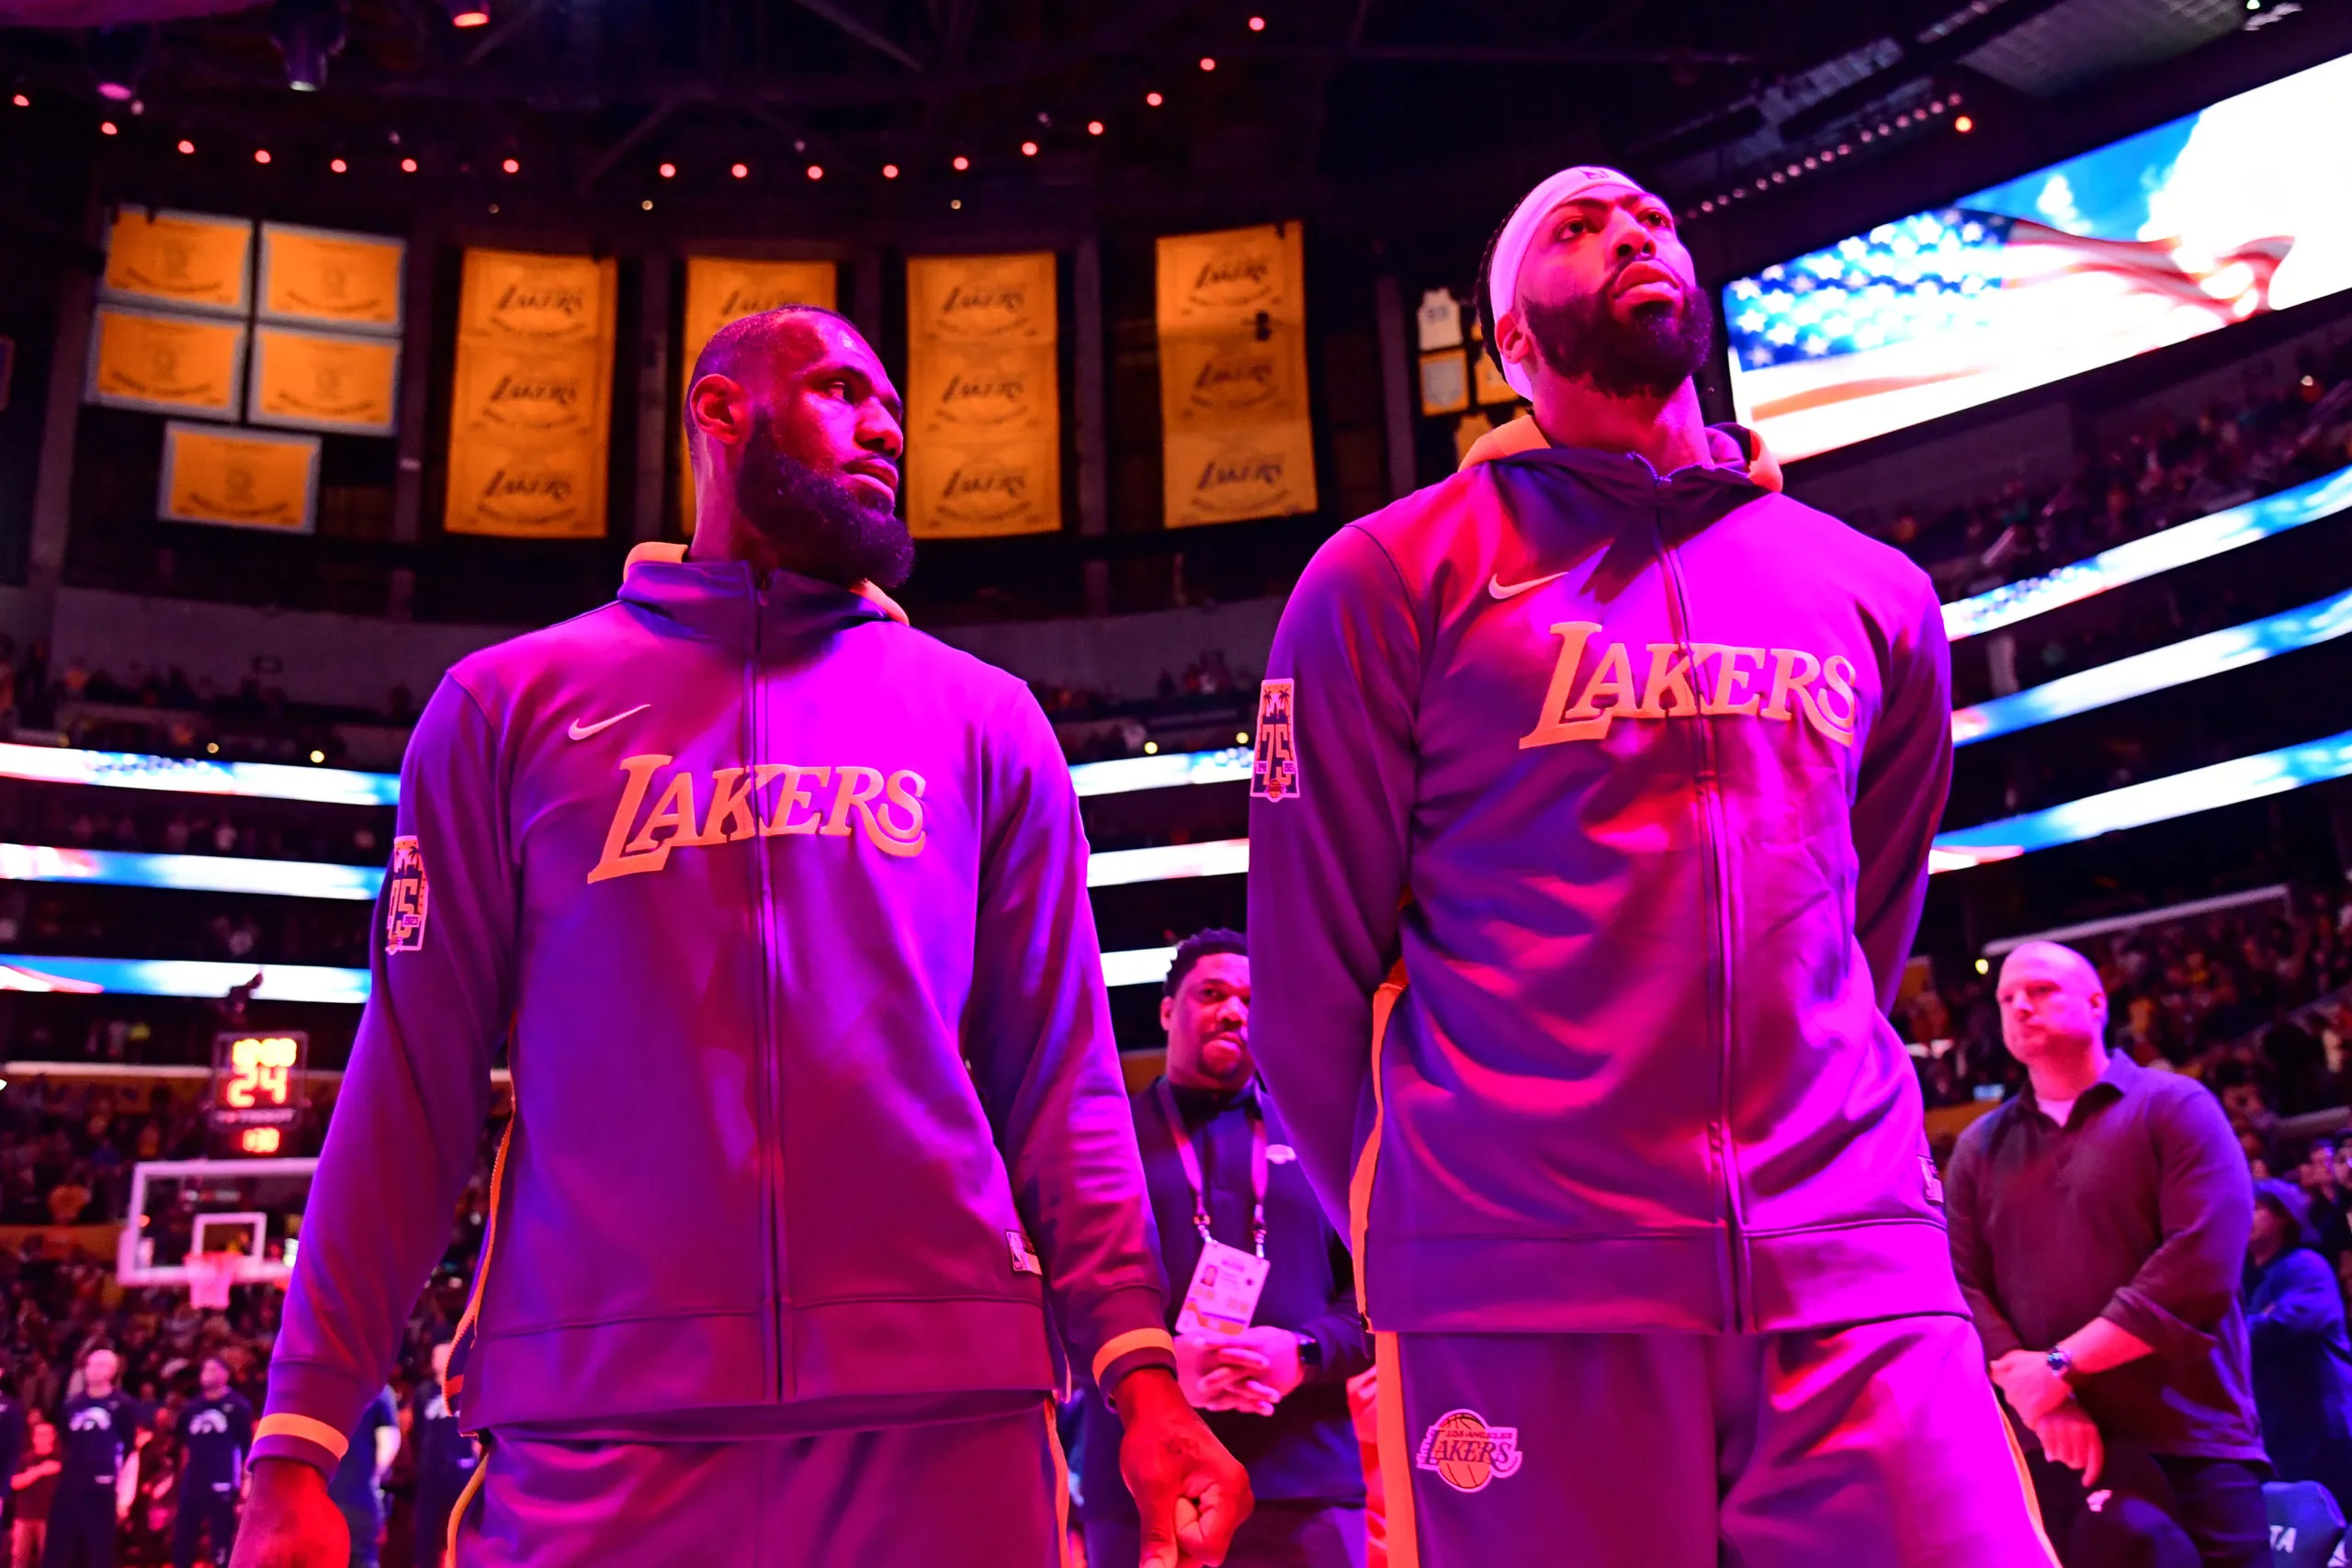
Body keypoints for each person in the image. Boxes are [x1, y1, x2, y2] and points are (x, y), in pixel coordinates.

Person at [231, 304, 1247, 1568]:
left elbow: (1063, 1080)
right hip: (599, 1420)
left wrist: (1142, 1379)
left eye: (893, 404)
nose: (884, 424)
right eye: (839, 388)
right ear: (720, 412)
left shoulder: (986, 719)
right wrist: (297, 1438)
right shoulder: (503, 708)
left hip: (944, 1414)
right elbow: (410, 1083)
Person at [1248, 162, 2052, 1567]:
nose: (1634, 228)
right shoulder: (1388, 579)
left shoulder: (1875, 591)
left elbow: (1863, 923)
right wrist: (1433, 1237)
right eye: (1574, 224)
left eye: (1657, 218)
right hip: (1524, 1292)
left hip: (1851, 1266)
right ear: (1510, 342)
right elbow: (1308, 971)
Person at [1947, 942, 2266, 1568]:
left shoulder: (2174, 1106)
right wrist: (2043, 1397)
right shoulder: (1978, 1147)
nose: (2020, 1007)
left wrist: (2060, 1367)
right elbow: (1961, 1285)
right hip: (2053, 1446)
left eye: (2040, 990)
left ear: (2097, 1002)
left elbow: (2200, 1264)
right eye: (2007, 998)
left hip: (2192, 1433)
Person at [1080, 931, 1373, 1568]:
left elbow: (1378, 1291)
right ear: (1166, 1010)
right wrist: (1151, 1368)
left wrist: (1306, 1350)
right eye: (1211, 993)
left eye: (1250, 999)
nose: (1234, 1010)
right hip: (1143, 1482)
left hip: (1307, 1482)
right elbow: (1062, 1292)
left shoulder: (1323, 1136)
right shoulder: (1108, 1140)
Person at [2245, 1177, 2352, 1515]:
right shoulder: (2252, 1279)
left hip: (2324, 1426)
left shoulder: (2305, 1264)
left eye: (2256, 1207)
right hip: (2284, 1430)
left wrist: (2228, 1333)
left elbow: (2283, 1326)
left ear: (2285, 1216)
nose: (2244, 1213)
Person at [43, 1348, 147, 1568]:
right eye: (89, 1364)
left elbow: (129, 1451)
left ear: (112, 1370)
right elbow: (65, 1442)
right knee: (62, 1548)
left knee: (99, 1551)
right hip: (71, 1485)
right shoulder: (71, 1404)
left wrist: (124, 1498)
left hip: (103, 1488)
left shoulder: (123, 1406)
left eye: (99, 1365)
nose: (92, 1370)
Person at [175, 1359, 252, 1568]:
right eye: (203, 1369)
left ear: (225, 1374)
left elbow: (245, 1447)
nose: (205, 1373)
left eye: (211, 1369)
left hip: (223, 1480)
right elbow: (183, 1445)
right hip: (193, 1481)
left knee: (221, 1539)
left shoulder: (238, 1406)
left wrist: (245, 1482)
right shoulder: (191, 1407)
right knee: (183, 1538)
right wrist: (182, 1476)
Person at [406, 1345, 475, 1568]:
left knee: (465, 1531)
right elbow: (417, 1429)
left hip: (462, 1470)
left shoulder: (468, 1391)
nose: (435, 1359)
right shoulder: (424, 1391)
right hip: (430, 1471)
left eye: (441, 1355)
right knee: (425, 1531)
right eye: (434, 1355)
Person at [323, 1392, 395, 1568]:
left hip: (320, 1498)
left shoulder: (315, 1383)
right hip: (360, 1497)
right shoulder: (378, 1390)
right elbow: (389, 1443)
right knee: (363, 1559)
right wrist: (373, 1478)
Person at [13, 1421, 61, 1568]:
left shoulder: (61, 1459)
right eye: (38, 1435)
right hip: (24, 1517)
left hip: (51, 1518)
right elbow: (15, 1483)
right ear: (33, 1438)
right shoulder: (24, 1459)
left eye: (46, 1434)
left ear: (53, 1436)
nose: (42, 1438)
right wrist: (39, 1471)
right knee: (19, 1559)